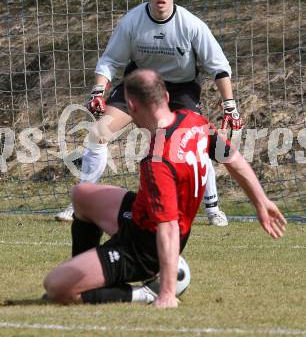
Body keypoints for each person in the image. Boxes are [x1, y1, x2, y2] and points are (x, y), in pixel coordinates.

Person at [44, 69, 286, 308]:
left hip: (144, 249)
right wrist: (261, 202)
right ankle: (88, 275)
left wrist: (168, 292)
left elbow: (168, 227)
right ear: (167, 97)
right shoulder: (194, 121)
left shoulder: (158, 161)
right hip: (143, 216)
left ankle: (143, 293)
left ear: (130, 104)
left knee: (55, 287)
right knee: (81, 196)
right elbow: (233, 160)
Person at [55, 0, 242, 225]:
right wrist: (99, 90)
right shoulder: (132, 21)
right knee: (98, 134)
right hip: (139, 85)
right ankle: (80, 203)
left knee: (195, 145)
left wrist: (230, 105)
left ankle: (213, 209)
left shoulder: (191, 25)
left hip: (179, 89)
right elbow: (110, 60)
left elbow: (218, 66)